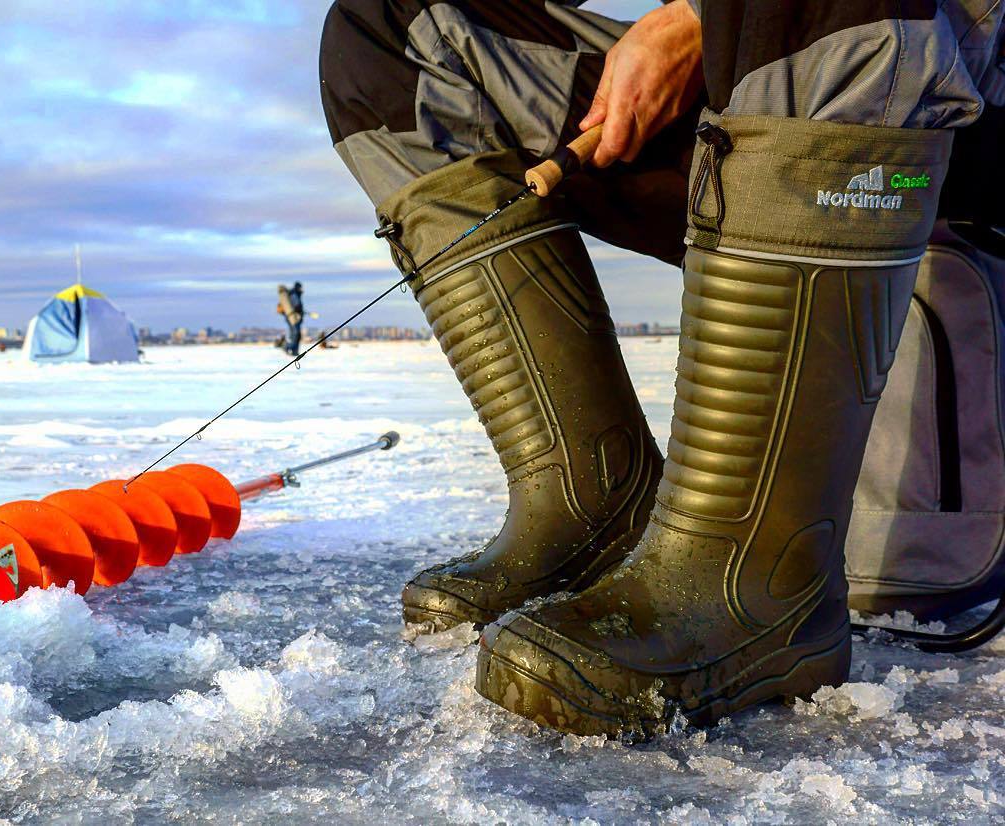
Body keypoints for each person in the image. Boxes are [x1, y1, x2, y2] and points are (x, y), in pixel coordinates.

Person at [320, 1, 1004, 734]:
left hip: (940, 90)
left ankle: (756, 585)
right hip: (753, 78)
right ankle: (594, 508)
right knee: (396, 29)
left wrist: (694, 18)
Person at [277, 282, 305, 356]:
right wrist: (300, 311)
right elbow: (297, 305)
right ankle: (287, 347)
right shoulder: (294, 294)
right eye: (300, 287)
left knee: (295, 334)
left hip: (292, 317)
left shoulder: (293, 294)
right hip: (293, 318)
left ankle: (294, 351)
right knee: (296, 334)